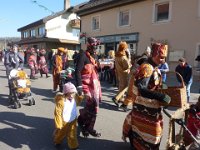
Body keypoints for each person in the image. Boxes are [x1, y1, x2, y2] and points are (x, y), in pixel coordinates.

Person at [122, 43, 171, 149]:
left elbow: (153, 84)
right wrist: (160, 96)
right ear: (154, 55)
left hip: (151, 106)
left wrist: (163, 87)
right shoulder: (147, 67)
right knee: (151, 131)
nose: (163, 61)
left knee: (151, 131)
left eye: (164, 58)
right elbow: (142, 89)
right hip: (144, 105)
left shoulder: (155, 66)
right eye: (161, 57)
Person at [75, 37, 101, 137]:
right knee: (94, 106)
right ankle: (89, 127)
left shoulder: (95, 56)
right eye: (94, 46)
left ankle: (82, 122)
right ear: (89, 45)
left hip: (94, 85)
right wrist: (79, 87)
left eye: (97, 46)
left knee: (91, 107)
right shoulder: (83, 56)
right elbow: (77, 71)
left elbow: (96, 69)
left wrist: (102, 66)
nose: (96, 48)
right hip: (85, 85)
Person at [53, 82, 83, 150]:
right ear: (66, 93)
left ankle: (74, 146)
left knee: (72, 133)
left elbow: (78, 102)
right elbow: (57, 113)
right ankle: (57, 141)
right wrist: (59, 124)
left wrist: (83, 96)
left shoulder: (75, 98)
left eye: (73, 93)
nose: (72, 95)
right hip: (64, 121)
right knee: (61, 133)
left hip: (73, 120)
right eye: (70, 93)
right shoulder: (61, 102)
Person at [112, 41, 131, 107]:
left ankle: (121, 98)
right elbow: (127, 66)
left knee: (121, 86)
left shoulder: (117, 55)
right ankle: (116, 98)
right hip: (124, 73)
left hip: (119, 72)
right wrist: (129, 61)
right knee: (126, 86)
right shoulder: (123, 57)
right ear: (124, 48)